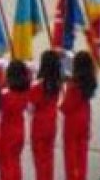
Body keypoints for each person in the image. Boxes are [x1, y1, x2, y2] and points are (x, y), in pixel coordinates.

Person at [61, 51, 96, 180]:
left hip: (72, 120)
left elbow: (65, 107)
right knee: (82, 152)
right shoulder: (89, 81)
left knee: (71, 153)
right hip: (85, 115)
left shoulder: (74, 86)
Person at [29, 50, 61, 180]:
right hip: (52, 122)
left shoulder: (38, 86)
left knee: (39, 159)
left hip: (39, 125)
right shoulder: (58, 82)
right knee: (48, 157)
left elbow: (30, 108)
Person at [0, 60, 30, 180]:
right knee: (15, 162)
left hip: (7, 132)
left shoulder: (5, 95)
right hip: (20, 129)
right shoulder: (26, 92)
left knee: (5, 164)